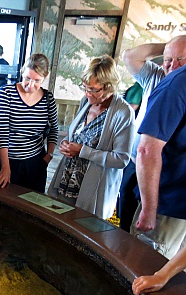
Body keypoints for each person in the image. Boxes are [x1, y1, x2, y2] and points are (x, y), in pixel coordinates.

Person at [47, 55, 134, 219]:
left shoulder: (123, 112)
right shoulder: (86, 101)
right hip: (68, 179)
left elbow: (121, 159)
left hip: (93, 187)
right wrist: (67, 144)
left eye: (93, 89)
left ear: (109, 87)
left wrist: (82, 151)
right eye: (85, 87)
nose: (87, 94)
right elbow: (80, 136)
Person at [118, 35, 186, 232]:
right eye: (168, 59)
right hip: (134, 160)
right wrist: (170, 46)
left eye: (180, 59)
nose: (173, 65)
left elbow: (150, 149)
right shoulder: (155, 76)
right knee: (127, 209)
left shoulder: (180, 87)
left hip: (160, 170)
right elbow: (129, 56)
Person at [131, 64, 186, 260]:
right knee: (149, 264)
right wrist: (149, 209)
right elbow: (147, 150)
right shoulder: (177, 85)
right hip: (169, 205)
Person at [0, 53, 58, 193]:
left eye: (37, 81)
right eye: (27, 78)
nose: (31, 85)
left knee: (33, 202)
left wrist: (48, 156)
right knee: (5, 200)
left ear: (45, 77)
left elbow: (54, 129)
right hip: (8, 158)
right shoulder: (6, 93)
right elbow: (2, 134)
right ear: (22, 72)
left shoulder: (48, 98)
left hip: (36, 160)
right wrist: (5, 168)